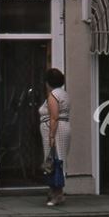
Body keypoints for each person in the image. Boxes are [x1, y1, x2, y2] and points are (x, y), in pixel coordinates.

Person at [39, 67, 71, 207]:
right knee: (58, 161)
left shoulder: (53, 95)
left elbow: (54, 117)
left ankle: (57, 194)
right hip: (64, 128)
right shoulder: (64, 94)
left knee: (53, 161)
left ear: (48, 82)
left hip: (55, 130)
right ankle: (55, 192)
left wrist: (51, 136)